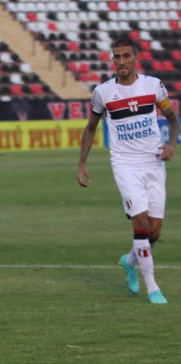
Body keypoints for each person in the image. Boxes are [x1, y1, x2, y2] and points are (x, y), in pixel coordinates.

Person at [78, 39, 179, 304]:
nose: (121, 62)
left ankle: (129, 261)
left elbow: (171, 119)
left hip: (154, 162)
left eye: (125, 56)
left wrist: (170, 145)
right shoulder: (103, 92)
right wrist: (82, 164)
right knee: (141, 223)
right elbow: (90, 127)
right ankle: (153, 286)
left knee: (154, 232)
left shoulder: (153, 86)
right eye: (116, 57)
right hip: (125, 165)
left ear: (135, 57)